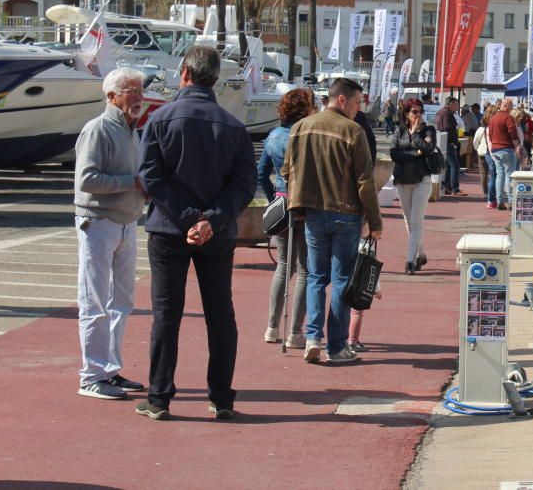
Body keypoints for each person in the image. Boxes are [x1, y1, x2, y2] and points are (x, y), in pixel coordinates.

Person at [136, 46, 257, 421]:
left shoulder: (160, 120)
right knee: (220, 313)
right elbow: (243, 186)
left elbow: (150, 177)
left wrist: (188, 218)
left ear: (184, 73)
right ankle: (221, 397)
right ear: (215, 78)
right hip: (215, 233)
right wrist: (210, 220)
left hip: (169, 229)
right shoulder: (233, 127)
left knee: (166, 314)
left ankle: (159, 398)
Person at [283, 77, 382, 364]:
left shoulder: (300, 128)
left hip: (312, 211)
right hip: (346, 212)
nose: (357, 108)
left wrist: (297, 200)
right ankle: (336, 347)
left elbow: (287, 170)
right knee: (340, 281)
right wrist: (375, 222)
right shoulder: (353, 131)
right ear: (342, 99)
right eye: (356, 102)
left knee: (316, 276)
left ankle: (313, 336)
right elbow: (365, 180)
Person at [73, 67, 147, 400]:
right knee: (95, 301)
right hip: (98, 222)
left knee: (122, 301)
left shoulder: (133, 131)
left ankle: (110, 369)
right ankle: (91, 374)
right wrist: (131, 184)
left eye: (140, 90)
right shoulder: (97, 129)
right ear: (111, 96)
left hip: (127, 222)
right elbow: (87, 180)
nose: (139, 97)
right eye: (131, 90)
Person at [256, 88, 314, 349]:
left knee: (282, 266)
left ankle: (271, 326)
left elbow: (261, 174)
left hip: (282, 200)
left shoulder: (273, 136)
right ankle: (295, 332)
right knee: (303, 269)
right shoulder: (305, 136)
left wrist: (274, 200)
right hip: (305, 203)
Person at [390, 98, 438, 274]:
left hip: (421, 180)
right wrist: (414, 153)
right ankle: (421, 253)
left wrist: (417, 134)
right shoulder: (400, 130)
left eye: (420, 111)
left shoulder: (428, 130)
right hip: (402, 180)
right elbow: (394, 154)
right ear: (406, 114)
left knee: (416, 221)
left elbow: (428, 149)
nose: (418, 115)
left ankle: (409, 261)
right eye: (414, 112)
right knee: (409, 222)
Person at [488, 98, 523, 210]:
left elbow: (490, 134)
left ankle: (499, 201)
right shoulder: (508, 117)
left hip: (495, 149)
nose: (512, 108)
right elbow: (512, 131)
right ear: (506, 106)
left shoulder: (493, 118)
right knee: (509, 175)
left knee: (500, 175)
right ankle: (511, 201)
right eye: (511, 106)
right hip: (506, 148)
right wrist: (516, 144)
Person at [434, 97, 466, 195]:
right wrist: (454, 138)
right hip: (448, 142)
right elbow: (447, 128)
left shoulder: (440, 112)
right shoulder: (448, 113)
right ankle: (454, 188)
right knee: (455, 165)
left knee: (448, 166)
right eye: (456, 105)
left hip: (443, 142)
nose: (457, 107)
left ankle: (447, 186)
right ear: (451, 104)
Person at [473, 104, 499, 210]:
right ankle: (491, 193)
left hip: (481, 152)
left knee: (483, 173)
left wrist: (477, 149)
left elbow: (475, 141)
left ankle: (485, 191)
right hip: (490, 152)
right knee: (493, 174)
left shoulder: (481, 129)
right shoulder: (492, 128)